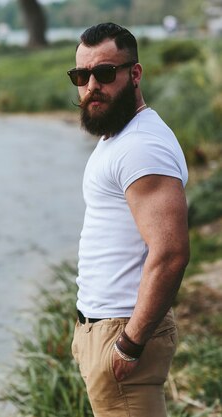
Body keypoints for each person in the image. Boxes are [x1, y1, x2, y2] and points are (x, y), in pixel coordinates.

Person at [68, 23, 190, 417]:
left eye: (104, 73)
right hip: (104, 328)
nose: (91, 86)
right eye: (81, 76)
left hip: (122, 331)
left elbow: (170, 252)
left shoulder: (141, 146)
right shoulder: (118, 137)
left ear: (134, 74)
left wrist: (129, 344)